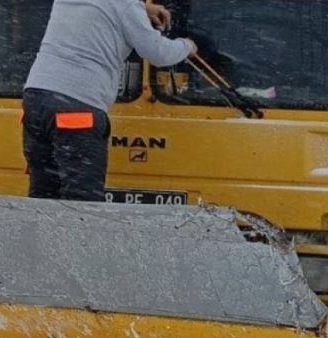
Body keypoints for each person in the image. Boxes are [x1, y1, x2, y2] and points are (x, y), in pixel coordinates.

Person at [22, 0, 197, 201]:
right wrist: (186, 46)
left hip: (36, 98)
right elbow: (157, 52)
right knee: (82, 198)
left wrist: (142, 9)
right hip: (77, 106)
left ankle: (42, 222)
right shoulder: (127, 6)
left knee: (43, 192)